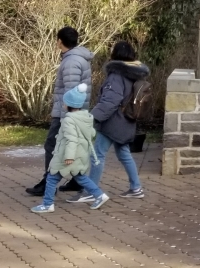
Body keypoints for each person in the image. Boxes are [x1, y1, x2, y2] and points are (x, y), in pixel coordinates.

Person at [27, 26, 93, 197]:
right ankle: (77, 180)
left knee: (51, 145)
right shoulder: (77, 58)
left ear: (59, 41)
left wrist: (67, 118)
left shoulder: (71, 62)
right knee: (75, 146)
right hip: (74, 111)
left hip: (66, 112)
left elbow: (71, 93)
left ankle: (48, 182)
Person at [83, 41, 150, 200]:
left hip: (113, 121)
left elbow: (110, 101)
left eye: (112, 49)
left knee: (97, 155)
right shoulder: (134, 73)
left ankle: (92, 192)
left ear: (117, 54)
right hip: (127, 120)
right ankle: (136, 188)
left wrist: (92, 116)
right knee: (124, 153)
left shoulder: (116, 75)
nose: (110, 51)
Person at [30, 83, 108, 212]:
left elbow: (71, 140)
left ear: (69, 105)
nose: (63, 104)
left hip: (67, 156)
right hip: (81, 155)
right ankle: (100, 195)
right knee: (80, 177)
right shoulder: (85, 118)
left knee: (51, 178)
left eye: (64, 102)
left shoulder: (69, 120)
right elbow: (91, 134)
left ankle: (47, 204)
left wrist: (69, 157)